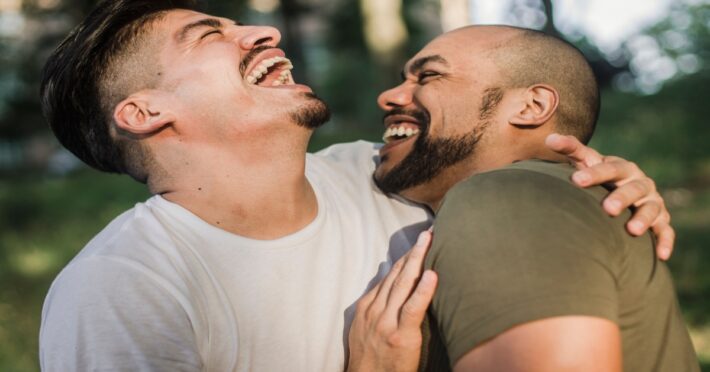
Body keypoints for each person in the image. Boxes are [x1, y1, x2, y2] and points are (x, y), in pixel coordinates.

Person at [38, 0, 675, 370]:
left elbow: (507, 160)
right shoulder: (120, 290)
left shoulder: (389, 173)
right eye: (210, 35)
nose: (264, 31)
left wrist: (593, 176)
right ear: (145, 114)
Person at [349, 26, 699, 371]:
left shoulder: (503, 199)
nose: (390, 96)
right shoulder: (557, 196)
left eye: (428, 75)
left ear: (532, 106)